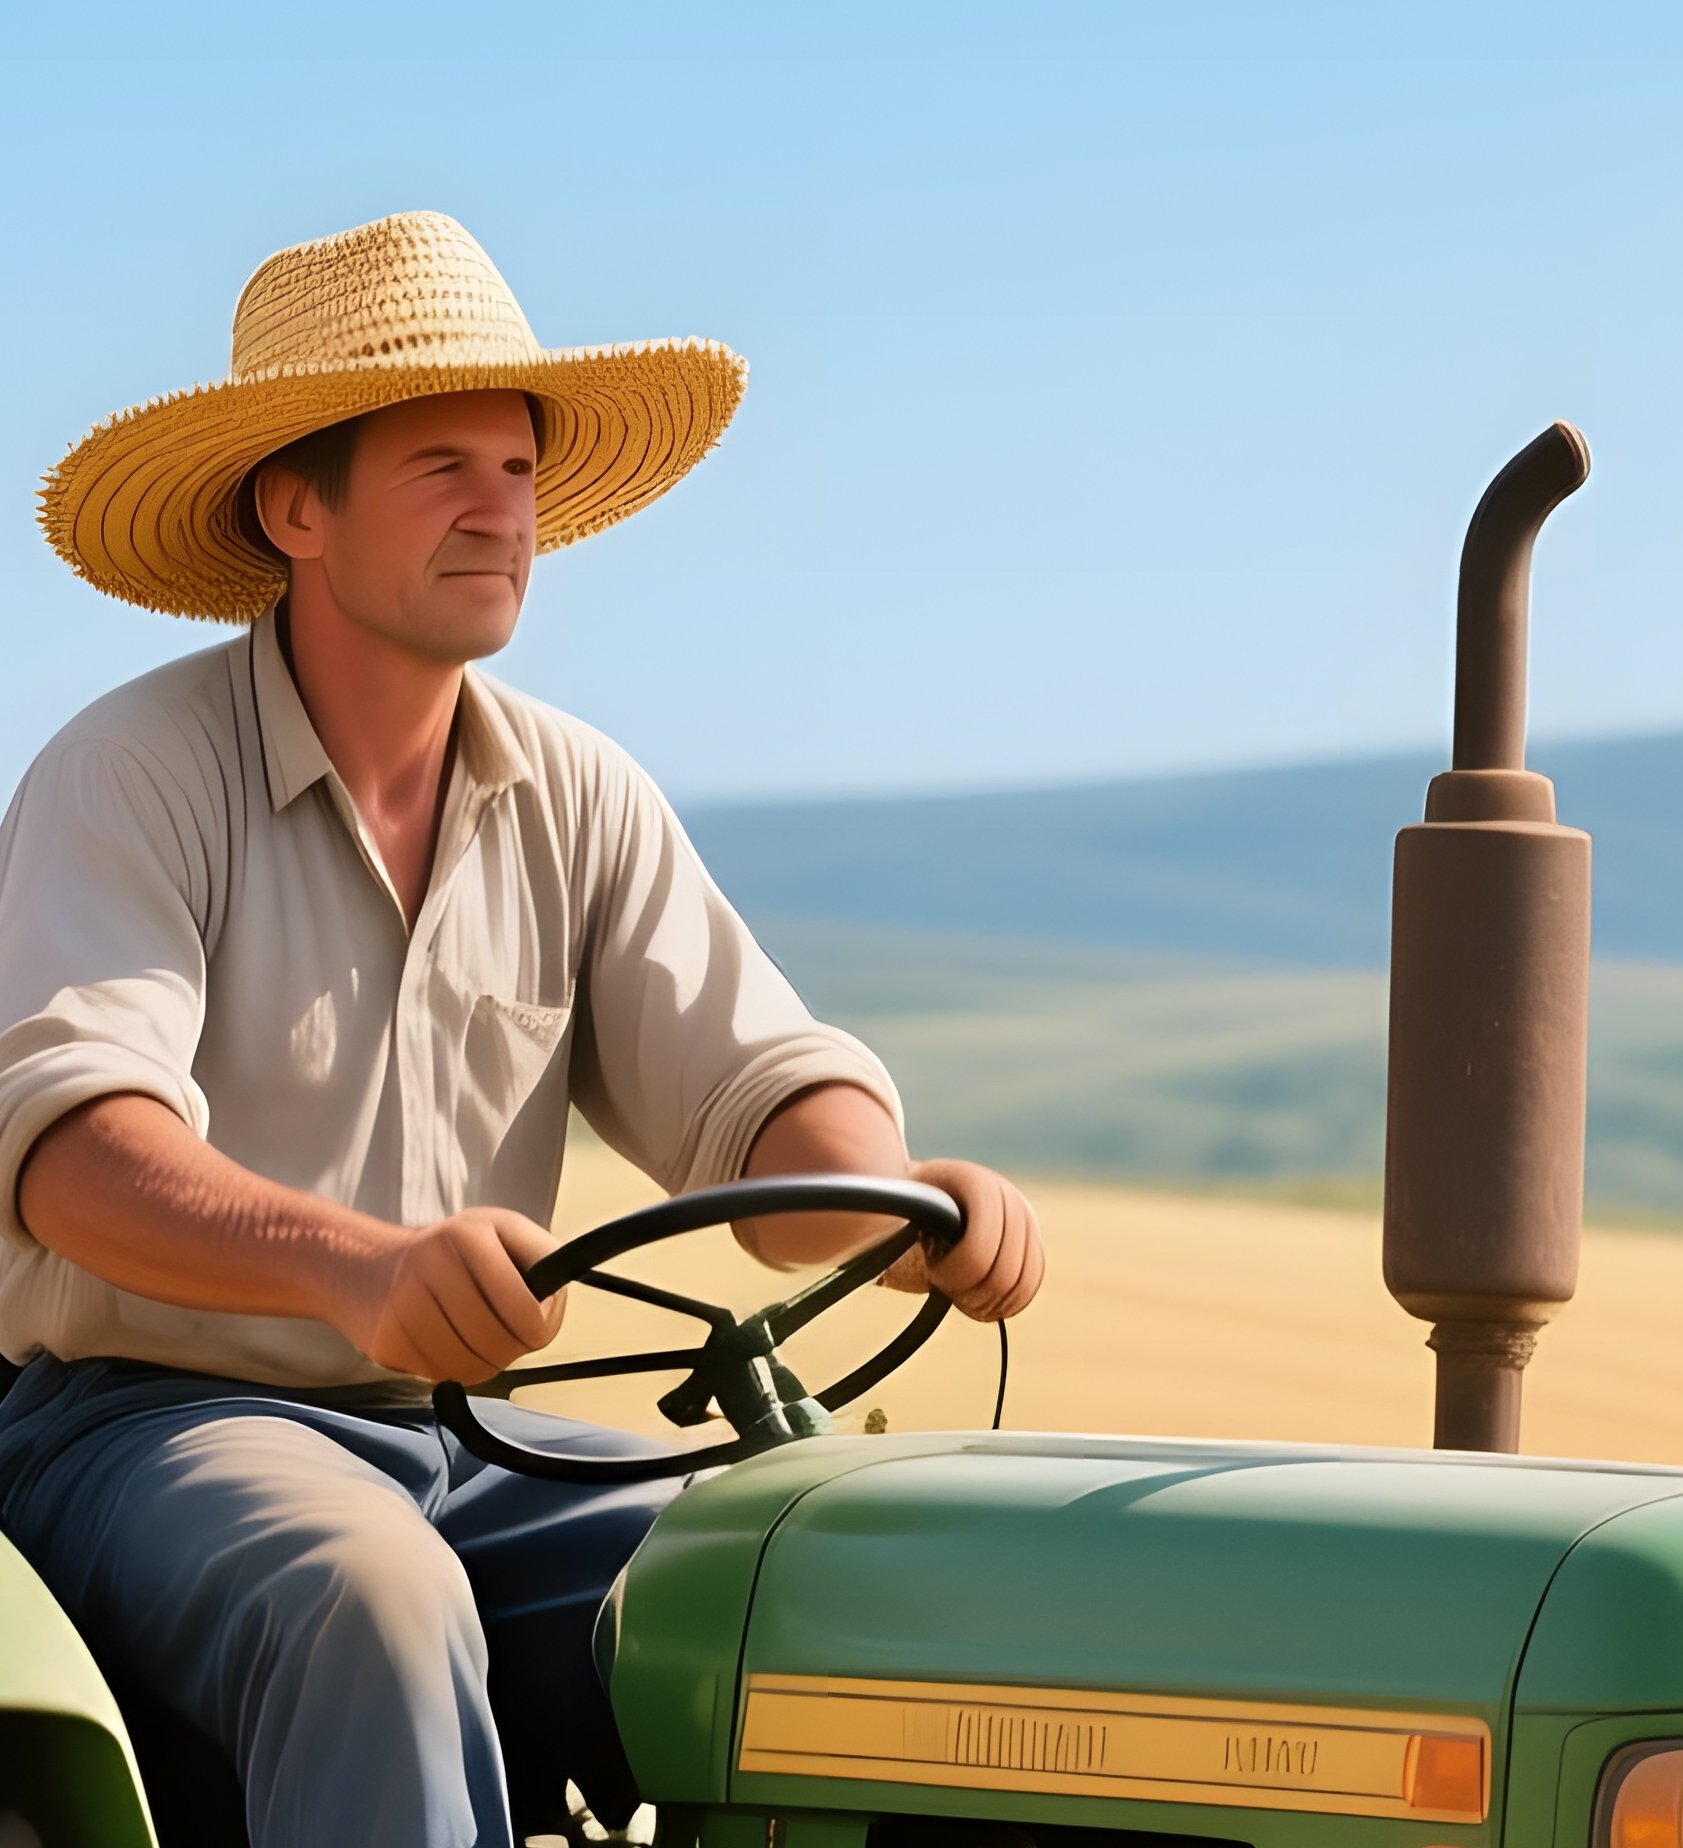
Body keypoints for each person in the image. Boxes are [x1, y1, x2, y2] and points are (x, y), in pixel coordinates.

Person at [0, 211, 1043, 1847]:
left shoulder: (575, 791)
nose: (504, 509)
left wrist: (912, 1210)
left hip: (466, 1437)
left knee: (809, 1572)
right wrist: (362, 1268)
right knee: (370, 1594)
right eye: (443, 467)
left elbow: (760, 1093)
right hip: (151, 1424)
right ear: (298, 509)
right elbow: (74, 1160)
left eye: (519, 466)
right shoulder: (132, 774)